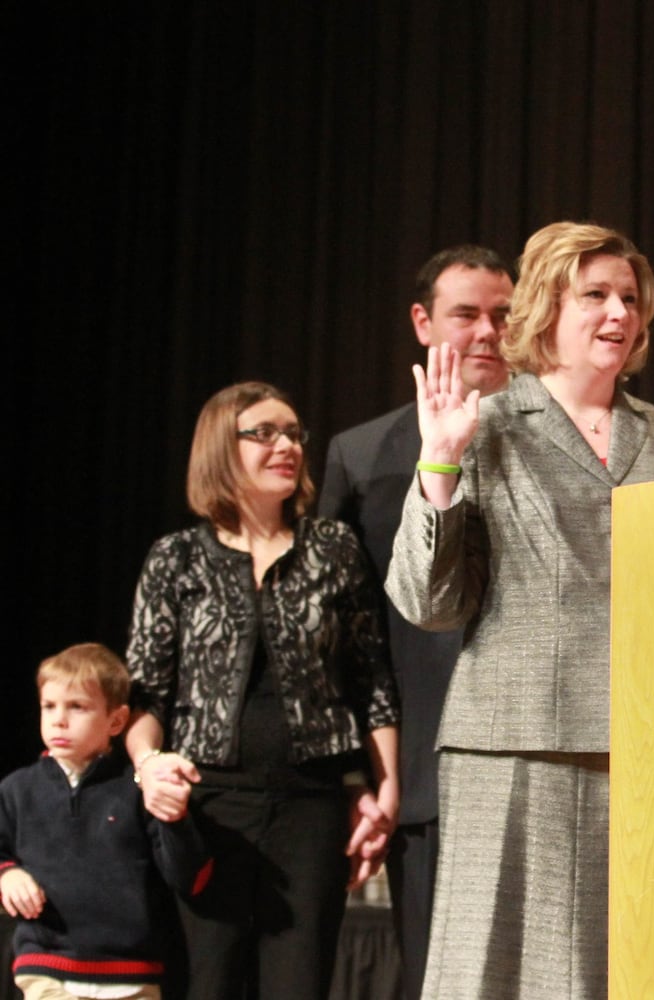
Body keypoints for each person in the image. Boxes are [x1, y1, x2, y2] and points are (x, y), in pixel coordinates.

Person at [385, 221, 654, 999]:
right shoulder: (483, 424)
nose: (618, 314)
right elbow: (428, 602)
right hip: (511, 741)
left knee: (630, 969)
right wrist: (441, 466)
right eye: (594, 294)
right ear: (543, 308)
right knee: (497, 971)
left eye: (629, 298)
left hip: (648, 747)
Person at [124, 382, 401, 1000]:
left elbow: (372, 680)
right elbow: (145, 695)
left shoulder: (332, 549)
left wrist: (385, 791)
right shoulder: (176, 559)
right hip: (207, 806)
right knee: (207, 983)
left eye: (295, 433)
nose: (288, 446)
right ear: (222, 447)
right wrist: (149, 767)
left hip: (311, 804)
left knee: (297, 984)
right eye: (266, 433)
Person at [320, 245, 514, 1000]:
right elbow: (341, 635)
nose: (489, 331)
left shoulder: (566, 431)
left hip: (543, 758)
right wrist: (362, 778)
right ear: (422, 321)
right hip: (424, 774)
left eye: (503, 314)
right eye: (467, 313)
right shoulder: (364, 455)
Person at [0, 642, 211, 1000]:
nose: (58, 719)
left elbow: (191, 879)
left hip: (131, 973)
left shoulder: (137, 790)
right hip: (46, 965)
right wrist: (8, 873)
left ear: (116, 720)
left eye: (77, 707)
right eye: (49, 706)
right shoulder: (18, 788)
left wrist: (175, 819)